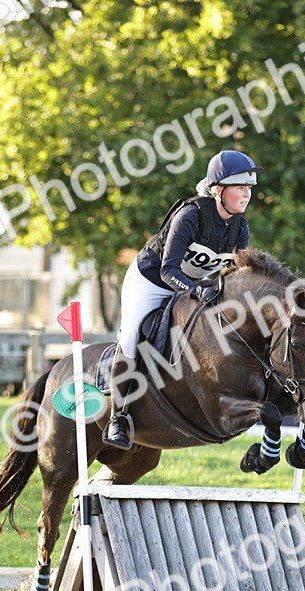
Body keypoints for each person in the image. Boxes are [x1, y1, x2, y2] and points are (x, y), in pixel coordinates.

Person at [102, 150, 261, 450]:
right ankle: (118, 417)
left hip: (191, 285)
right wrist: (198, 290)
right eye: (240, 186)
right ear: (218, 190)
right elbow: (167, 270)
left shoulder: (241, 228)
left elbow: (234, 277)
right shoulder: (191, 215)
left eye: (249, 187)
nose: (246, 193)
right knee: (133, 336)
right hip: (150, 281)